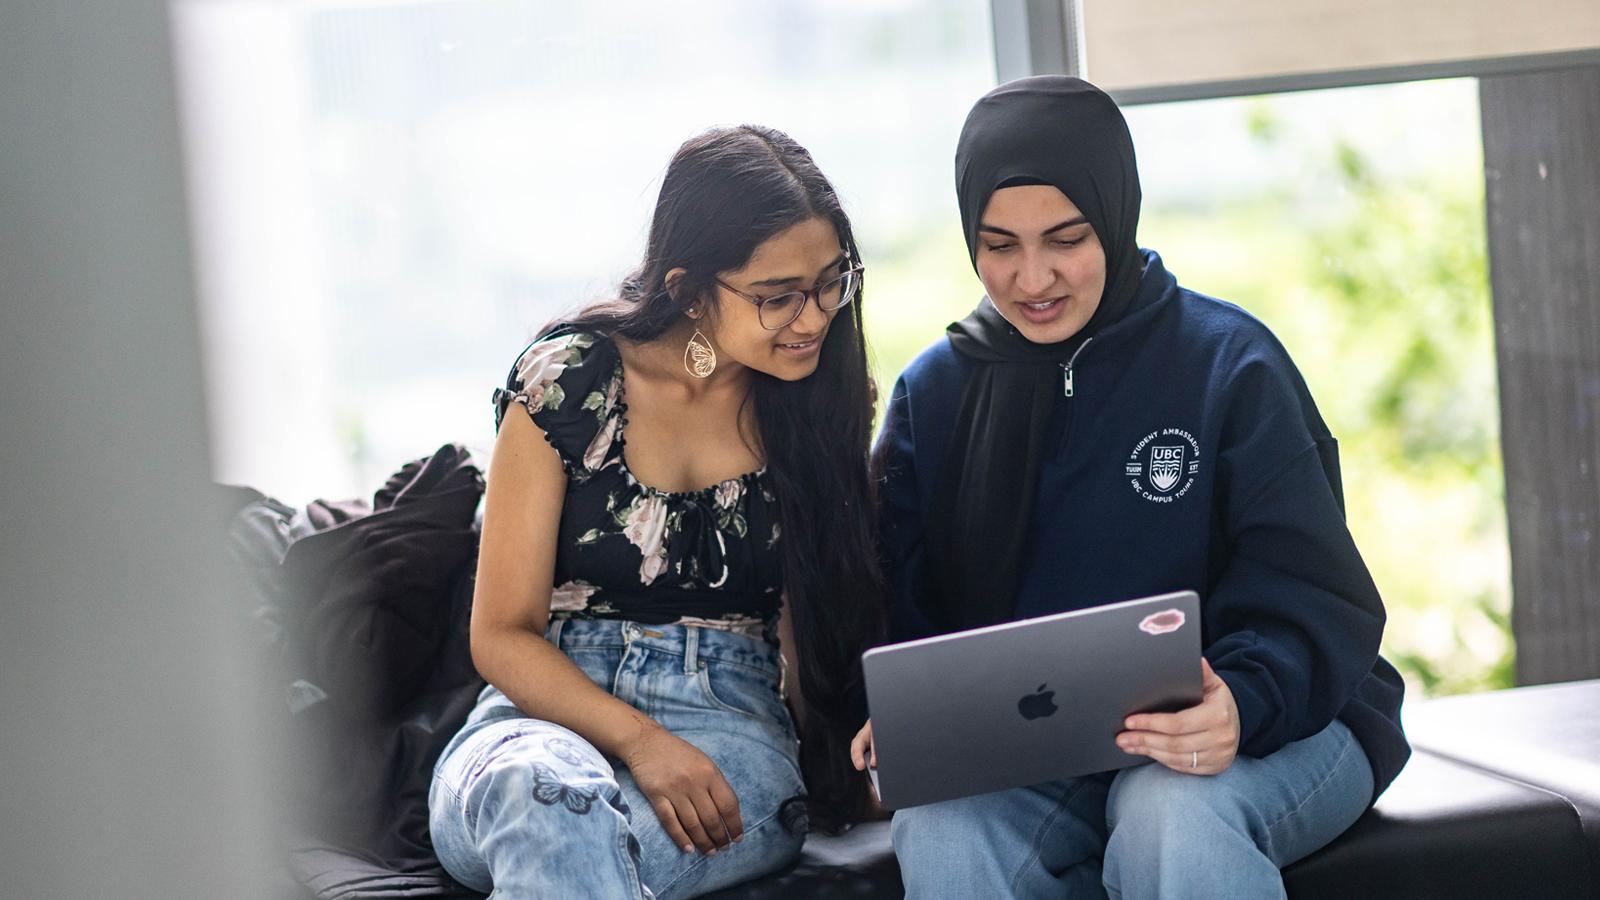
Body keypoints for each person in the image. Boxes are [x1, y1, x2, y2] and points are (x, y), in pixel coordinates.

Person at [853, 76, 1410, 899]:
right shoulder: (935, 396)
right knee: (941, 825)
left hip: (1286, 723)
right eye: (998, 243)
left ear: (1117, 215)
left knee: (1168, 809)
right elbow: (908, 618)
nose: (1031, 277)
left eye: (1066, 238)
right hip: (1055, 760)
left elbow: (1320, 602)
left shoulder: (1230, 366)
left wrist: (1245, 704)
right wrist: (903, 726)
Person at [429, 125, 886, 899]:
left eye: (830, 281)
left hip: (731, 729)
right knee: (538, 797)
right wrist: (642, 744)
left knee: (563, 837)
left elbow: (816, 627)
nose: (813, 318)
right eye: (777, 297)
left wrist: (856, 761)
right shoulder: (568, 381)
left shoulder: (818, 407)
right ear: (687, 291)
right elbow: (500, 633)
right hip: (539, 719)